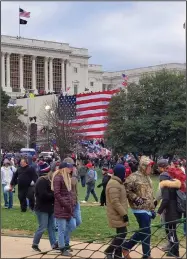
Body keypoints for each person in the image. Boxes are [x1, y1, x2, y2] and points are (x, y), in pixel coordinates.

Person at [122, 156, 156, 259]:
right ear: (143, 166)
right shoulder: (133, 177)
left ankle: (126, 246)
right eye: (149, 166)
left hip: (148, 209)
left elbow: (150, 194)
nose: (151, 168)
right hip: (139, 208)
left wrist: (153, 208)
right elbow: (126, 189)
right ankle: (146, 255)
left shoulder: (148, 178)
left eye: (151, 166)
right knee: (146, 231)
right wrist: (135, 198)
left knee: (145, 231)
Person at [52, 161, 76, 256]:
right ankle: (62, 248)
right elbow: (57, 193)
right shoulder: (58, 178)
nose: (70, 169)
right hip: (61, 208)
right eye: (68, 167)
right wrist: (65, 203)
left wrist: (71, 202)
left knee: (72, 225)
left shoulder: (67, 178)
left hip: (68, 207)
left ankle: (58, 242)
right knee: (61, 229)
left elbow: (68, 193)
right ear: (63, 168)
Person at [105, 164, 128, 259]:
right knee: (123, 233)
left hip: (119, 213)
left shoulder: (118, 182)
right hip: (117, 214)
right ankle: (109, 251)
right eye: (124, 172)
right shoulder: (114, 183)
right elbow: (115, 201)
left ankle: (117, 256)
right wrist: (124, 213)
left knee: (120, 234)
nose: (125, 174)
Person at [32, 168, 58, 252]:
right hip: (42, 208)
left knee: (52, 227)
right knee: (42, 227)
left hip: (51, 207)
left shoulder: (54, 182)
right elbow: (43, 195)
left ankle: (54, 244)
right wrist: (54, 195)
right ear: (52, 172)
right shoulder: (42, 180)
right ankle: (35, 244)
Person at [157, 172, 182, 257]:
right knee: (172, 231)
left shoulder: (165, 187)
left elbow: (165, 200)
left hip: (170, 213)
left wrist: (159, 211)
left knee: (172, 232)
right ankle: (173, 249)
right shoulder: (173, 187)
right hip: (175, 212)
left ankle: (175, 251)